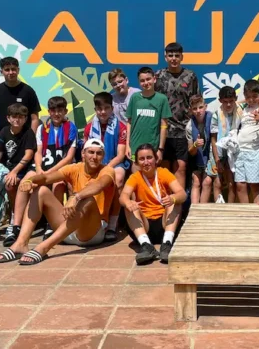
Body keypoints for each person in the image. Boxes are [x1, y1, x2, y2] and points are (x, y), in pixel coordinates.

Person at [0, 138, 116, 265]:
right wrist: (30, 181)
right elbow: (46, 178)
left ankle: (44, 247)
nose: (94, 157)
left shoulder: (107, 170)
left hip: (91, 233)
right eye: (91, 152)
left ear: (103, 156)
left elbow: (99, 185)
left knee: (88, 199)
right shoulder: (74, 168)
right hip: (67, 230)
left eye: (99, 153)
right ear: (83, 154)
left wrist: (75, 197)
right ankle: (21, 244)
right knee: (41, 191)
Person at [120, 144, 187, 264]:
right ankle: (146, 246)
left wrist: (173, 198)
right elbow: (123, 195)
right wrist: (128, 202)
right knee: (129, 206)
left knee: (175, 202)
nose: (146, 162)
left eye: (149, 157)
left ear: (156, 159)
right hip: (144, 226)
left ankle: (166, 244)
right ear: (137, 163)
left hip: (165, 223)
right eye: (142, 159)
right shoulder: (135, 177)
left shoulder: (164, 173)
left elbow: (182, 194)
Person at [83, 92, 128, 241]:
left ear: (112, 108)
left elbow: (121, 155)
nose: (103, 112)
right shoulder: (89, 127)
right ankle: (88, 220)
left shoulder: (121, 127)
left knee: (119, 178)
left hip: (114, 163)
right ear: (95, 109)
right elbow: (85, 153)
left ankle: (112, 225)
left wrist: (106, 168)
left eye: (106, 108)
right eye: (99, 108)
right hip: (93, 163)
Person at [155, 42, 200, 189]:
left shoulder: (190, 76)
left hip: (183, 130)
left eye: (176, 55)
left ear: (182, 57)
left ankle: (177, 207)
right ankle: (164, 205)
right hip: (163, 130)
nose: (173, 58)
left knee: (181, 167)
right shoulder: (159, 76)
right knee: (164, 168)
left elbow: (196, 101)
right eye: (170, 55)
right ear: (165, 57)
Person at [0, 104, 37, 246]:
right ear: (8, 118)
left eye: (21, 117)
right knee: (8, 185)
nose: (17, 120)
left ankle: (14, 223)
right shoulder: (4, 131)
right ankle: (11, 217)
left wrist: (15, 172)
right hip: (9, 169)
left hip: (25, 169)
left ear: (25, 119)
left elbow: (29, 155)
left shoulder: (28, 132)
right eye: (14, 117)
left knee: (17, 183)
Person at [33, 96, 78, 239]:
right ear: (49, 111)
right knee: (28, 182)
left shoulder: (71, 127)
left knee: (58, 184)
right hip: (45, 168)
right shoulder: (42, 128)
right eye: (53, 110)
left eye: (60, 110)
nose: (57, 114)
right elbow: (38, 152)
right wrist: (39, 168)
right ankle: (19, 224)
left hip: (63, 169)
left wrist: (48, 173)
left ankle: (56, 222)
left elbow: (69, 158)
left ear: (65, 111)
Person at [125, 67, 172, 166]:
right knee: (137, 177)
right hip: (135, 147)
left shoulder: (162, 99)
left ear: (154, 79)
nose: (146, 83)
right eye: (142, 81)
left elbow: (164, 127)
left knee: (151, 178)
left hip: (153, 148)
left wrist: (160, 149)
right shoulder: (135, 97)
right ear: (139, 82)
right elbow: (129, 122)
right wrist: (127, 146)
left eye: (148, 79)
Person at [0, 57, 41, 134]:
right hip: (1, 138)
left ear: (18, 70)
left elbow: (34, 119)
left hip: (23, 138)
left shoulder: (28, 91)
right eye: (7, 70)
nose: (11, 72)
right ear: (1, 71)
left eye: (13, 69)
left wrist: (31, 138)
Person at [210, 86, 243, 203]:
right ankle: (218, 211)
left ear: (235, 99)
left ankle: (229, 210)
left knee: (231, 183)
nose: (228, 105)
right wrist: (217, 160)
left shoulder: (241, 110)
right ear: (220, 101)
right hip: (219, 152)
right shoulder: (216, 115)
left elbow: (257, 100)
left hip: (234, 152)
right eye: (225, 102)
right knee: (217, 183)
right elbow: (213, 139)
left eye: (231, 101)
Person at [185, 94, 216, 204]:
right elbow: (190, 151)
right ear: (191, 110)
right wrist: (195, 145)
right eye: (195, 108)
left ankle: (202, 210)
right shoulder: (189, 126)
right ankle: (194, 211)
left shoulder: (213, 119)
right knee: (196, 181)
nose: (198, 111)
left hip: (212, 156)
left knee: (207, 182)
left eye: (200, 107)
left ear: (205, 106)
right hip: (197, 158)